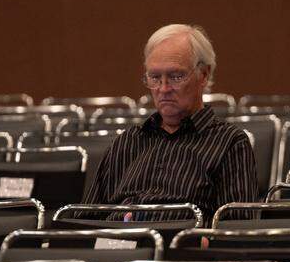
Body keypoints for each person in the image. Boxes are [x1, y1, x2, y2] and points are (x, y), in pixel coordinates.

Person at [84, 23, 257, 218]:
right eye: (155, 77)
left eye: (176, 76)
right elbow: (86, 220)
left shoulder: (230, 143)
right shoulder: (126, 142)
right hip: (118, 236)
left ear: (203, 75)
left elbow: (235, 227)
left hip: (181, 237)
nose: (163, 89)